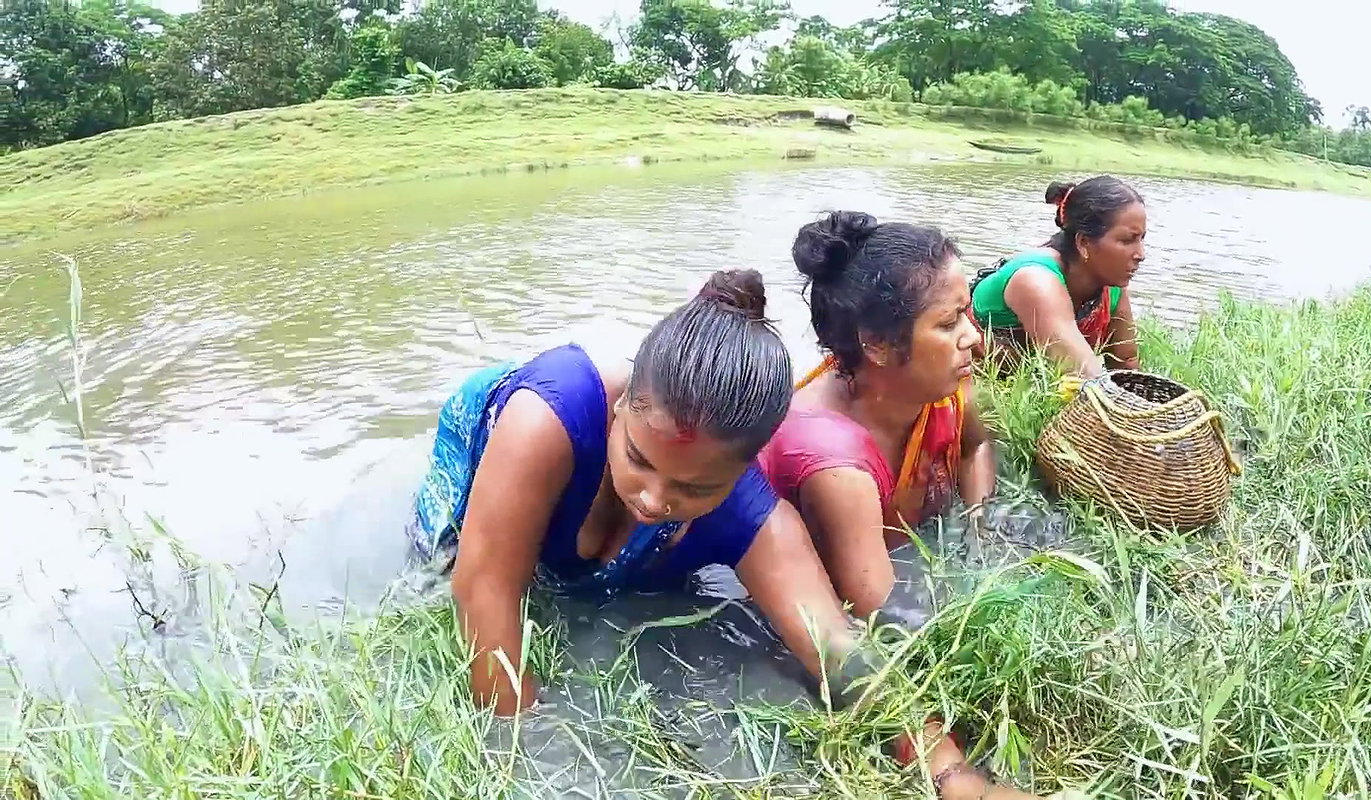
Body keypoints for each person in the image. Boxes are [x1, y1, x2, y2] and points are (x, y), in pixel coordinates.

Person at [406, 269, 1042, 800]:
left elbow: (835, 645)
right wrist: (525, 752)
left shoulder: (750, 510)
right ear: (625, 405)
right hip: (488, 445)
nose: (655, 499)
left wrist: (951, 772)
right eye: (640, 460)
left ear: (747, 468)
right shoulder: (551, 416)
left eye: (694, 489)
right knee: (447, 569)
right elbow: (486, 585)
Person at [758, 211, 996, 620]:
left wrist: (978, 523)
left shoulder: (943, 383)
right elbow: (882, 617)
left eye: (966, 312)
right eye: (947, 322)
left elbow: (977, 446)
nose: (974, 337)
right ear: (877, 345)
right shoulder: (832, 462)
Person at [969, 176, 1146, 378]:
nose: (1141, 254)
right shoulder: (1035, 279)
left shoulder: (1112, 285)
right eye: (1127, 240)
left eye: (1141, 239)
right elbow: (1082, 373)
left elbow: (1126, 365)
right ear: (1084, 242)